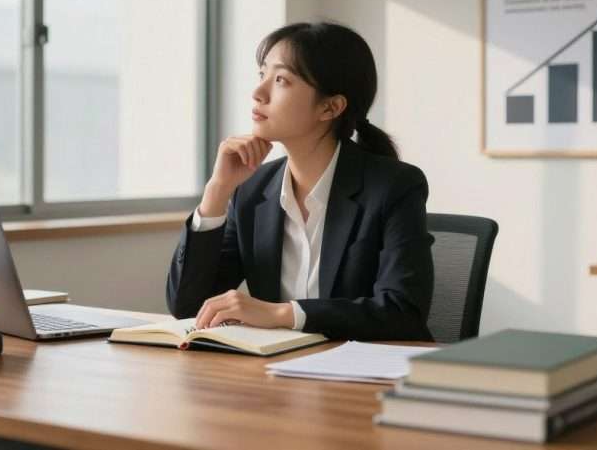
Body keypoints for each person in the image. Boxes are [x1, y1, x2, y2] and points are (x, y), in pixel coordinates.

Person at [165, 22, 434, 341]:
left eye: (280, 80)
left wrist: (281, 313)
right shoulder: (252, 190)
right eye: (261, 74)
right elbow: (187, 306)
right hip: (277, 374)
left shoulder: (393, 187)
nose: (258, 93)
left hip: (360, 375)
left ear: (330, 107)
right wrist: (217, 192)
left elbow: (403, 311)